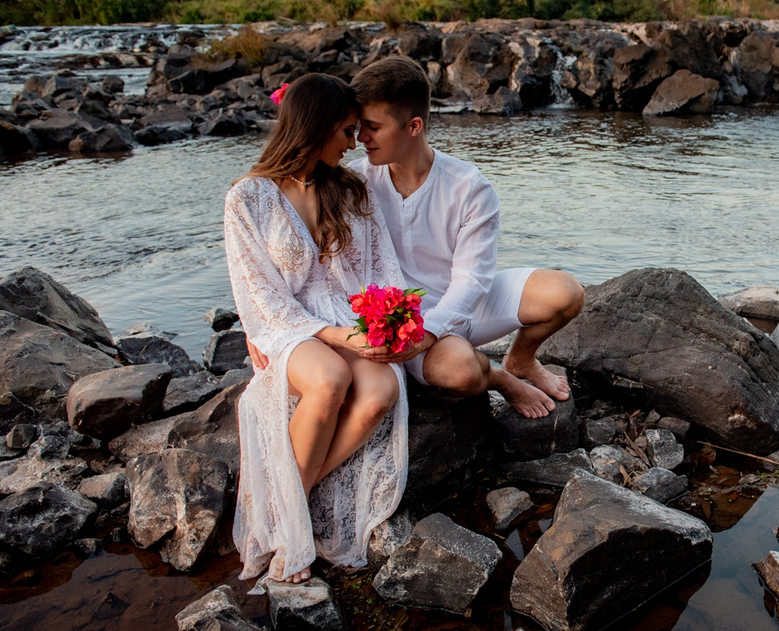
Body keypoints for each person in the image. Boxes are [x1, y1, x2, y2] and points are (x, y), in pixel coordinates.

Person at [247, 57, 585, 418]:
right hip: (397, 324)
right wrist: (260, 327)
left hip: (466, 306)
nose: (361, 138)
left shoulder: (468, 186)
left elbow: (473, 278)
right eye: (358, 127)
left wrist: (432, 331)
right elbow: (289, 249)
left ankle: (520, 358)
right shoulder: (352, 183)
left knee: (566, 293)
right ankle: (501, 378)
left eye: (373, 127)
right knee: (463, 372)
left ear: (414, 126)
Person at [223, 72, 409, 586]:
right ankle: (288, 535)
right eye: (348, 131)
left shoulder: (347, 189)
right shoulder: (248, 198)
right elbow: (256, 289)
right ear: (319, 126)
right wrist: (300, 335)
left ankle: (290, 499)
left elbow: (382, 268)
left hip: (346, 318)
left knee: (381, 388)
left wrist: (387, 324)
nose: (354, 143)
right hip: (288, 325)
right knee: (329, 380)